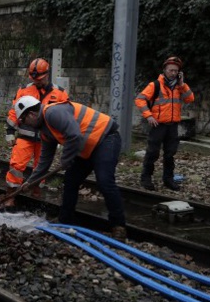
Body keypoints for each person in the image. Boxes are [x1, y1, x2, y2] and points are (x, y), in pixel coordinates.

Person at [13, 96, 126, 238]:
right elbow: (44, 162)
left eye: (23, 120)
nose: (24, 124)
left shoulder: (52, 113)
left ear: (31, 114)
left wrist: (65, 161)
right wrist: (30, 182)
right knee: (71, 180)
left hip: (106, 138)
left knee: (104, 180)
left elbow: (74, 135)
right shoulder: (45, 132)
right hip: (86, 147)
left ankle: (118, 226)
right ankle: (66, 220)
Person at [4, 58, 68, 209]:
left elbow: (65, 115)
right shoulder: (24, 90)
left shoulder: (60, 93)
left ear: (47, 74)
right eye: (34, 79)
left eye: (39, 78)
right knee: (16, 165)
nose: (37, 82)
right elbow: (14, 111)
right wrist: (10, 131)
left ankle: (36, 193)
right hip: (25, 136)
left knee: (41, 167)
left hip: (47, 139)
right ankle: (11, 196)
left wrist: (61, 137)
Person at [134, 56, 194, 191]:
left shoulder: (180, 86)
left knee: (170, 154)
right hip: (158, 125)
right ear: (164, 70)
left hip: (173, 126)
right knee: (152, 153)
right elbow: (140, 100)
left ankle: (168, 179)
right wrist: (149, 116)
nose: (173, 73)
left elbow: (190, 99)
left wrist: (182, 84)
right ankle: (146, 178)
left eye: (175, 71)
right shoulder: (155, 85)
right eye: (170, 70)